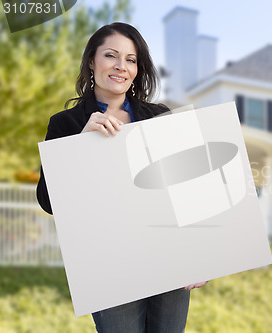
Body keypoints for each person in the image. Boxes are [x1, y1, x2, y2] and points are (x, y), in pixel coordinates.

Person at [36, 22, 207, 333]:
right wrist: (80, 146)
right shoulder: (66, 123)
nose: (121, 66)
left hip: (168, 255)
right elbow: (48, 201)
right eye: (111, 56)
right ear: (91, 61)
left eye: (130, 59)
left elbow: (184, 191)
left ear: (138, 68)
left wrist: (197, 255)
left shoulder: (158, 117)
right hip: (108, 265)